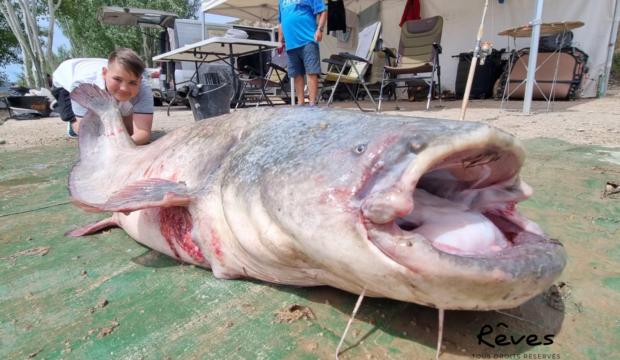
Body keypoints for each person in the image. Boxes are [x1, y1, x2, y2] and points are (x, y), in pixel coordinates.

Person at [51, 48, 153, 144]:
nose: (124, 88)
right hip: (66, 81)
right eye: (117, 79)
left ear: (139, 81)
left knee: (127, 132)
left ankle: (115, 104)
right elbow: (87, 135)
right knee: (81, 132)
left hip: (103, 85)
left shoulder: (143, 89)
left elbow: (143, 133)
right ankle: (72, 112)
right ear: (104, 73)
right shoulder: (82, 86)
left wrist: (122, 145)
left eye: (133, 83)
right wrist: (116, 147)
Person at [278, 0, 327, 107]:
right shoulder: (281, 1)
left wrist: (320, 29)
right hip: (291, 45)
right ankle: (300, 103)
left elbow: (323, 11)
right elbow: (281, 23)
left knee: (311, 72)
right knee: (296, 74)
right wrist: (279, 41)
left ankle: (312, 103)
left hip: (308, 41)